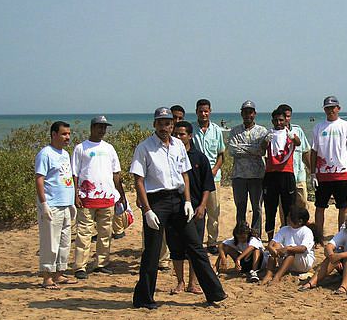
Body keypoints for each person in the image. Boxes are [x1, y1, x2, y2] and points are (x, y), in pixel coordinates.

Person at [130, 107, 226, 309]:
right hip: (156, 201)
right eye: (161, 123)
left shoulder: (178, 146)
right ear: (155, 124)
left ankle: (214, 293)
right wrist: (147, 209)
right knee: (152, 251)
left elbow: (185, 175)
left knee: (195, 246)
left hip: (179, 199)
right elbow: (138, 180)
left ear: (172, 125)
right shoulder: (144, 147)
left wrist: (189, 201)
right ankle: (144, 299)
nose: (165, 127)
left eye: (168, 123)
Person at [71, 115, 126, 279]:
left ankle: (101, 264)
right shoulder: (81, 148)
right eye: (99, 127)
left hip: (107, 197)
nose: (102, 130)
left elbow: (116, 173)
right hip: (86, 198)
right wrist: (75, 195)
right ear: (92, 128)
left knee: (105, 233)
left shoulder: (109, 148)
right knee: (84, 233)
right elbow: (74, 173)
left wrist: (120, 194)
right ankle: (80, 266)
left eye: (104, 127)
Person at [169, 120, 217, 295]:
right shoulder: (169, 155)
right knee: (176, 247)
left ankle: (192, 283)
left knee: (195, 247)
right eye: (176, 134)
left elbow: (207, 185)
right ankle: (180, 282)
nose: (178, 137)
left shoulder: (199, 158)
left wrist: (202, 206)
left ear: (190, 136)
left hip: (196, 208)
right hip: (174, 208)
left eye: (182, 134)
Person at [310, 96, 347, 242]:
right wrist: (312, 173)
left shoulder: (346, 126)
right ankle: (318, 238)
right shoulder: (318, 127)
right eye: (327, 108)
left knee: (342, 207)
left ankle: (341, 236)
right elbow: (313, 152)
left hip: (341, 174)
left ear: (338, 108)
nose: (330, 110)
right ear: (324, 109)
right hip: (323, 175)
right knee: (320, 207)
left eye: (333, 107)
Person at [35, 121, 76, 289]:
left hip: (66, 204)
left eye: (68, 134)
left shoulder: (65, 154)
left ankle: (59, 273)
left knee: (64, 242)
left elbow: (67, 177)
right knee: (50, 243)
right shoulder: (45, 154)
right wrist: (44, 203)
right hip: (52, 205)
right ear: (54, 135)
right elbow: (39, 178)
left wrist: (72, 202)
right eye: (64, 134)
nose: (67, 137)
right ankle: (47, 277)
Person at [298, 209, 347, 294]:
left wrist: (340, 256)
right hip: (345, 265)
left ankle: (344, 285)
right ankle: (312, 282)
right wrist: (332, 256)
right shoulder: (346, 232)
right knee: (332, 258)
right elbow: (329, 246)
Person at [228, 100, 268, 237]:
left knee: (257, 208)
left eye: (250, 112)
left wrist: (244, 147)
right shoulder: (234, 131)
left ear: (254, 114)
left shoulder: (262, 131)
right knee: (240, 207)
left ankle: (256, 235)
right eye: (245, 112)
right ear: (241, 113)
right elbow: (233, 150)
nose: (247, 115)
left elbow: (262, 151)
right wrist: (253, 149)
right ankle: (241, 235)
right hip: (239, 175)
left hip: (257, 175)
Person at [191, 98, 226, 255]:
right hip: (195, 178)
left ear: (210, 111)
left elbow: (221, 155)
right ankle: (196, 241)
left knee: (213, 211)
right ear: (196, 112)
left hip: (213, 177)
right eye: (200, 111)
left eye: (206, 111)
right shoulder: (191, 129)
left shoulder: (217, 130)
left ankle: (212, 242)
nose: (203, 114)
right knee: (196, 211)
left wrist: (214, 169)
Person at [261, 107, 300, 241]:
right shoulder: (269, 134)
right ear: (272, 121)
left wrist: (293, 138)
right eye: (276, 120)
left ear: (286, 120)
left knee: (289, 207)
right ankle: (271, 238)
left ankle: (288, 236)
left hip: (286, 174)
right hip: (271, 175)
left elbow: (298, 143)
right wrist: (265, 141)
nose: (278, 122)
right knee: (270, 208)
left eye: (281, 120)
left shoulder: (290, 133)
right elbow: (261, 149)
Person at [260, 206, 315, 286]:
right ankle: (269, 274)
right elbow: (273, 242)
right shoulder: (284, 229)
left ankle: (277, 277)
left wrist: (288, 248)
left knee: (291, 250)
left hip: (302, 263)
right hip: (286, 260)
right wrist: (272, 248)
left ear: (300, 221)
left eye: (290, 217)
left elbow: (303, 249)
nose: (287, 218)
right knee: (276, 245)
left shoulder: (306, 231)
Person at [278, 104, 311, 210]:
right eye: (285, 116)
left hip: (299, 176)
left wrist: (312, 171)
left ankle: (302, 226)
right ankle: (285, 226)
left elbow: (305, 151)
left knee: (302, 204)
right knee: (285, 207)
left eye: (289, 116)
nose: (287, 119)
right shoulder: (275, 133)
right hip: (283, 176)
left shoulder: (297, 130)